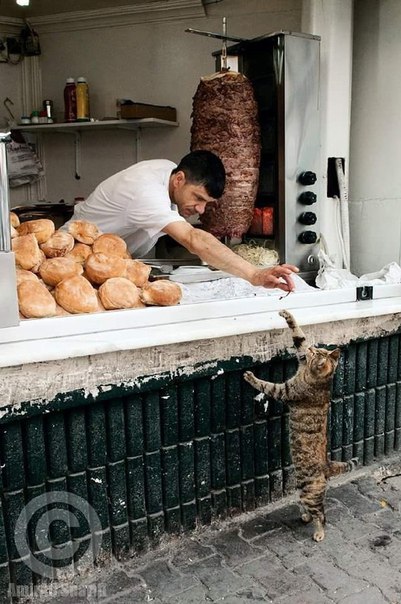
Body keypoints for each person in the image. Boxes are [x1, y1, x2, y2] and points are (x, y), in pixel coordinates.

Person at [64, 150, 298, 292]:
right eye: (197, 198)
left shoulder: (168, 171)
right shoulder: (145, 191)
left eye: (206, 203)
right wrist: (254, 274)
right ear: (179, 179)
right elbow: (192, 239)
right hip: (70, 263)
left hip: (105, 267)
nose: (200, 209)